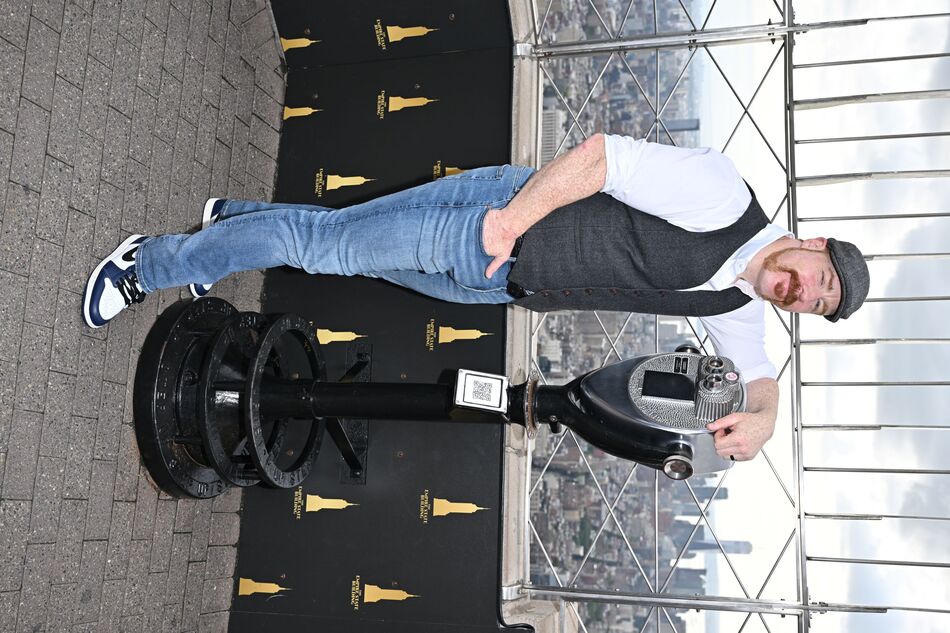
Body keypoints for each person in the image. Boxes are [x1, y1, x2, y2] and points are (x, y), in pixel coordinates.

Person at [83, 133, 869, 462]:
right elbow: (602, 158)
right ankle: (148, 264)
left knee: (347, 246)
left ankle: (232, 225)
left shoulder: (738, 301)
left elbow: (758, 374)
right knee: (329, 249)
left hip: (507, 285)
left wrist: (763, 418)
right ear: (813, 241)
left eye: (817, 307)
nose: (805, 295)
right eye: (821, 278)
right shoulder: (724, 197)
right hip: (497, 227)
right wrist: (509, 221)